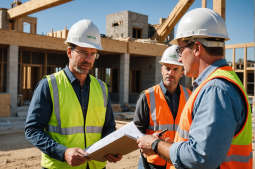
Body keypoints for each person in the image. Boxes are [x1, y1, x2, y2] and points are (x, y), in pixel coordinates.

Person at [137, 8, 253, 169]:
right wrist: (172, 146)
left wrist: (155, 144)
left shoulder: (215, 89)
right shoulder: (218, 82)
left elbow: (200, 157)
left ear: (197, 48)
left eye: (180, 50)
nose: (179, 58)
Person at [25, 19, 122, 169]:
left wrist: (112, 148)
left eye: (93, 54)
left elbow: (108, 126)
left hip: (95, 166)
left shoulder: (101, 87)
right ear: (69, 52)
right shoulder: (49, 85)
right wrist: (63, 152)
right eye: (83, 52)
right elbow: (32, 129)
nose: (88, 59)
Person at [133, 45, 191, 169]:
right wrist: (149, 140)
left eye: (176, 69)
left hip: (179, 161)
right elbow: (136, 132)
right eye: (167, 68)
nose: (170, 73)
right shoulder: (147, 96)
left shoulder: (190, 96)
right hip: (153, 163)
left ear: (182, 73)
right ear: (161, 70)